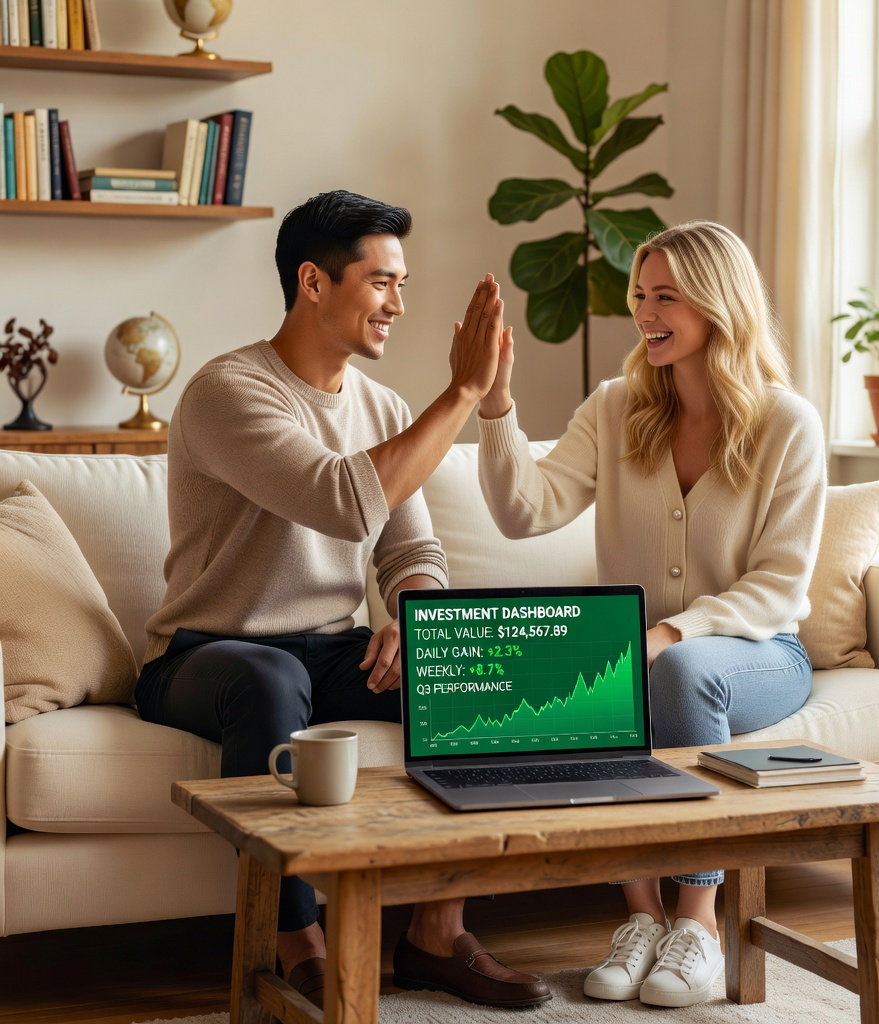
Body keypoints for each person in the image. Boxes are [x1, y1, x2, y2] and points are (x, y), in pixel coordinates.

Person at [134, 190, 551, 1011]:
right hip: (205, 654)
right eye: (380, 281)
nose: (399, 303)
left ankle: (437, 932)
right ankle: (296, 942)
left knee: (468, 662)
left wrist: (417, 617)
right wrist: (464, 394)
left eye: (402, 282)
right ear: (313, 282)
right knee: (266, 682)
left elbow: (411, 551)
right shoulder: (229, 391)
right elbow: (343, 500)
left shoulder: (384, 406)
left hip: (327, 646)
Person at [476, 220, 827, 1009]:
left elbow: (778, 583)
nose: (645, 313)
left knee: (676, 668)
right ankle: (640, 920)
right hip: (650, 654)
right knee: (598, 667)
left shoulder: (786, 423)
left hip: (757, 653)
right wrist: (496, 408)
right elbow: (523, 512)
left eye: (666, 296)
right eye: (640, 295)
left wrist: (672, 631)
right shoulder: (615, 407)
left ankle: (698, 923)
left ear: (717, 303)